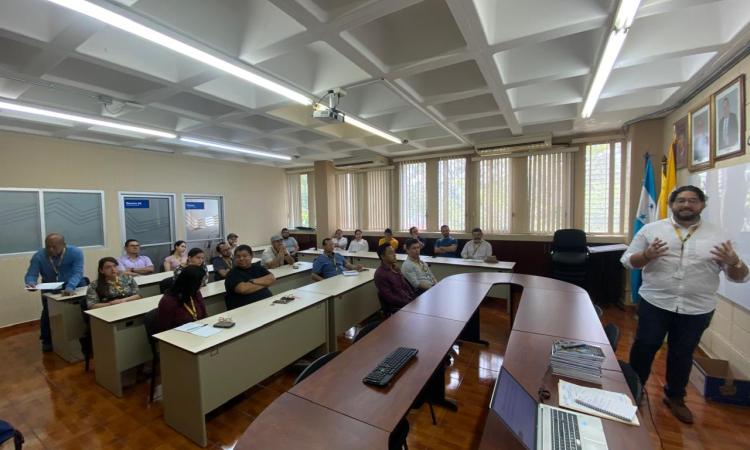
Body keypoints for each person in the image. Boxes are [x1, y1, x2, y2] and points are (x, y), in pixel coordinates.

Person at [621, 185, 749, 424]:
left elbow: (740, 276)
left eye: (692, 200)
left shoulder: (719, 236)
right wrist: (646, 255)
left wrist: (734, 262)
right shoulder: (652, 229)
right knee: (644, 347)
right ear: (672, 204)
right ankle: (632, 391)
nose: (686, 205)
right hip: (656, 302)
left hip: (696, 308)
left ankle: (675, 398)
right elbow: (628, 262)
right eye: (681, 200)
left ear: (702, 205)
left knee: (682, 354)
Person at [24, 233, 85, 352]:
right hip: (50, 286)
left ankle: (83, 336)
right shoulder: (39, 256)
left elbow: (77, 272)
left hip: (73, 283)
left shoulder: (75, 252)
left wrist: (70, 286)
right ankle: (46, 340)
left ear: (64, 245)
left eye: (54, 247)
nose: (51, 250)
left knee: (78, 309)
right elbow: (32, 274)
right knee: (48, 312)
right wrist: (30, 282)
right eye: (48, 246)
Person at [156, 265, 207, 332]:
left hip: (199, 332)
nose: (201, 285)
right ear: (191, 284)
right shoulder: (168, 301)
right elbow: (164, 330)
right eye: (199, 282)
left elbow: (204, 315)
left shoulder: (195, 293)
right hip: (179, 337)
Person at [224, 245, 276, 310]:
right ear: (234, 258)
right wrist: (265, 283)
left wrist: (253, 281)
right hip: (244, 310)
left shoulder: (258, 268)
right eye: (238, 257)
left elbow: (272, 279)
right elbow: (243, 289)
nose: (241, 259)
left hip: (266, 306)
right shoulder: (232, 273)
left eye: (245, 256)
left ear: (251, 256)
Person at [374, 243, 416, 310]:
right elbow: (390, 298)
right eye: (391, 253)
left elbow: (405, 285)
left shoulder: (395, 268)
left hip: (409, 301)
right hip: (400, 307)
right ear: (383, 256)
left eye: (394, 252)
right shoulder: (380, 274)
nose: (394, 254)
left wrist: (414, 297)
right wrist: (408, 303)